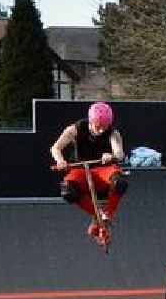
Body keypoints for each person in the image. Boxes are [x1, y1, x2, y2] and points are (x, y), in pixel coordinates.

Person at [50, 102, 127, 246]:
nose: (101, 131)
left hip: (103, 170)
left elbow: (120, 153)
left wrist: (111, 156)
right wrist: (60, 161)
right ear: (91, 122)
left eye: (105, 126)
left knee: (120, 183)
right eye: (98, 127)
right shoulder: (75, 129)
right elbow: (55, 148)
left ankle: (107, 214)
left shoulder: (113, 132)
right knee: (68, 192)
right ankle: (99, 215)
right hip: (81, 170)